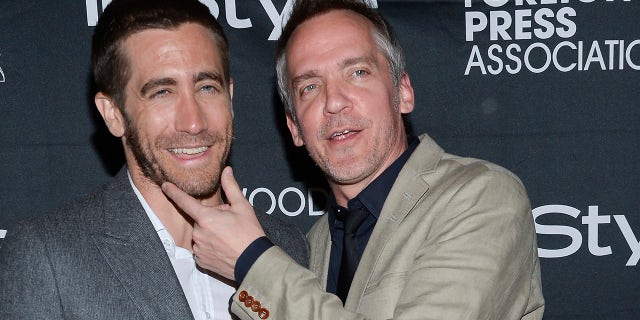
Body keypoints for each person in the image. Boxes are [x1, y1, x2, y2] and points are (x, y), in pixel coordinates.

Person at [162, 0, 545, 319]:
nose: (334, 101)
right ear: (295, 127)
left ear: (403, 92)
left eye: (357, 72)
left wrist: (252, 262)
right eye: (310, 86)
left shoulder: (481, 199)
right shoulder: (308, 249)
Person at [0, 0, 308, 319]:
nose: (193, 122)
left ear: (229, 96)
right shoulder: (51, 257)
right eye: (162, 92)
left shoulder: (287, 247)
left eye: (206, 87)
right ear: (113, 114)